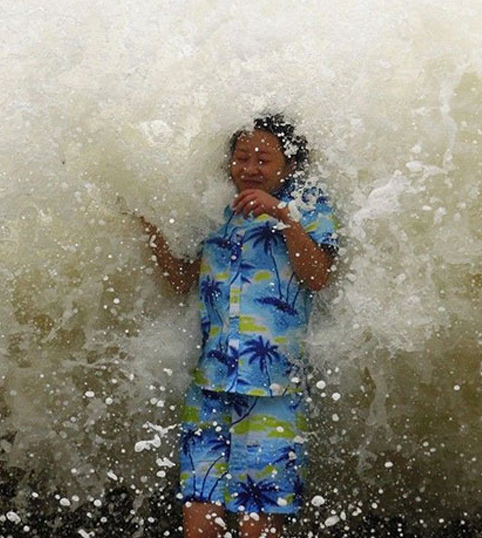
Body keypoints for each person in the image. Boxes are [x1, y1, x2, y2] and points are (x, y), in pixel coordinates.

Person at [141, 115, 338, 538]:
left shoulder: (309, 205)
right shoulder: (214, 211)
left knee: (257, 526)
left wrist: (282, 216)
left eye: (263, 159)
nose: (249, 168)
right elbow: (182, 281)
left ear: (288, 166)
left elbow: (318, 276)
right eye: (242, 157)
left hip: (273, 390)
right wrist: (150, 231)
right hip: (209, 383)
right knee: (199, 518)